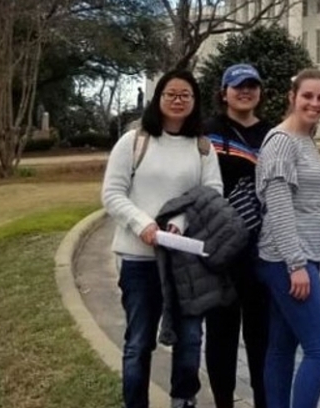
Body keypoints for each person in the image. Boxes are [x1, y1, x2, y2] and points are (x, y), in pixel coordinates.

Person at [101, 69, 223, 408]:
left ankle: (183, 399)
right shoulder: (134, 141)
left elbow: (212, 193)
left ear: (195, 101)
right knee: (139, 341)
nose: (178, 100)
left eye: (186, 94)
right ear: (159, 98)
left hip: (185, 261)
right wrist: (143, 224)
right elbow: (112, 194)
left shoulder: (201, 146)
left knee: (190, 339)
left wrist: (180, 223)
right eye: (171, 93)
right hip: (139, 260)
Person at [255, 68, 320, 408]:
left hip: (302, 256)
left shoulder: (305, 140)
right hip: (286, 259)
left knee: (282, 345)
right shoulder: (281, 142)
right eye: (307, 96)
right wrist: (296, 265)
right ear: (292, 97)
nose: (314, 103)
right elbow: (278, 207)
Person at [202, 63, 271, 408]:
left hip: (262, 251)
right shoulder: (207, 132)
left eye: (252, 86)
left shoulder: (273, 134)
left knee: (261, 337)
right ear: (224, 92)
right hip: (221, 252)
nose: (245, 91)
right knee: (221, 334)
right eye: (238, 86)